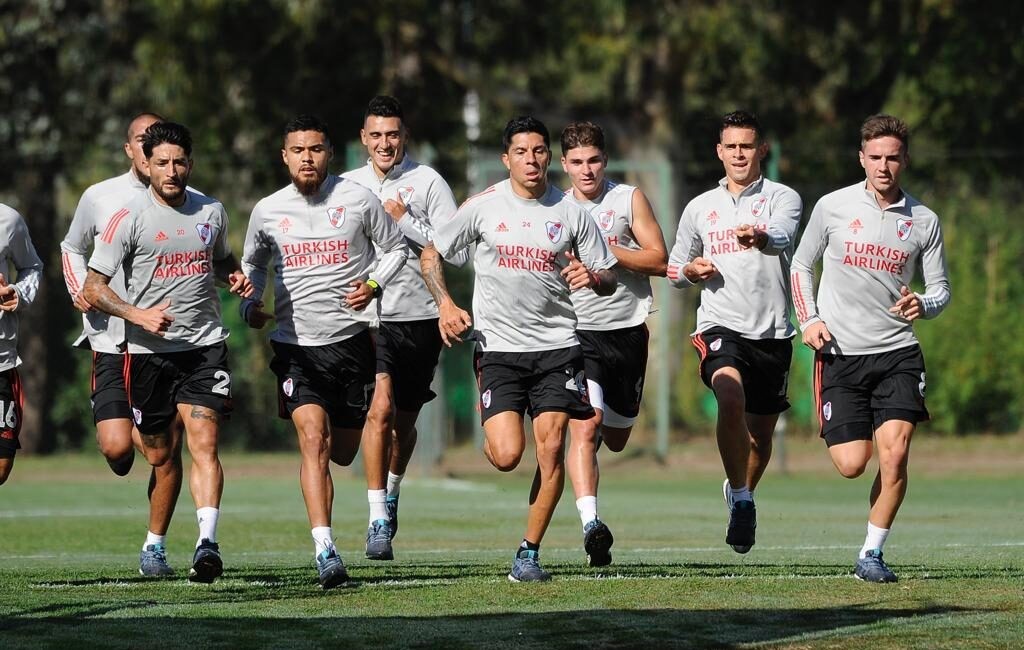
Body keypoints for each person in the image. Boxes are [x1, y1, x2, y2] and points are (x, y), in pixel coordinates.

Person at [432, 116, 617, 582]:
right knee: (507, 454)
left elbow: (609, 276)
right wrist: (445, 304)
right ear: (506, 159)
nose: (531, 160)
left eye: (538, 151)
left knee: (551, 448)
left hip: (558, 348)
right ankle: (495, 431)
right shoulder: (483, 206)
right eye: (521, 152)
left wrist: (593, 277)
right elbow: (432, 253)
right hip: (498, 350)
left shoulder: (571, 212)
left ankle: (528, 553)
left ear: (549, 157)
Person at [241, 114, 408, 588]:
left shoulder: (357, 199)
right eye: (298, 150)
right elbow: (253, 266)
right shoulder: (267, 210)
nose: (307, 158)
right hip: (296, 348)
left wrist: (373, 285)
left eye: (315, 149)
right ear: (285, 156)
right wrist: (250, 304)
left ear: (329, 153)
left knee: (344, 452)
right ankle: (325, 550)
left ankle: (370, 511)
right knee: (314, 440)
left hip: (352, 342)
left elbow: (396, 249)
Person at [83, 121, 253, 584]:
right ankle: (155, 544)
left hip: (203, 347)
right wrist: (136, 315)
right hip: (146, 353)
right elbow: (93, 287)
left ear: (190, 164)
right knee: (160, 454)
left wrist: (234, 277)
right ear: (147, 164)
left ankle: (207, 543)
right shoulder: (127, 218)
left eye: (179, 162)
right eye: (162, 163)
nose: (172, 171)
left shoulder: (211, 211)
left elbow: (221, 260)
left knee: (205, 442)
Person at [791, 114, 950, 583]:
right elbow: (800, 265)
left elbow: (941, 290)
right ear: (861, 158)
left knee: (895, 454)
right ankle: (869, 546)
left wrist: (923, 302)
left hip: (898, 353)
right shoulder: (832, 206)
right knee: (851, 464)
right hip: (840, 353)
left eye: (892, 158)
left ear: (905, 160)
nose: (884, 166)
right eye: (875, 157)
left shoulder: (924, 220)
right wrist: (809, 319)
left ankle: (871, 554)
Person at [666, 110, 803, 554]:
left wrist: (760, 237)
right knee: (729, 396)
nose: (739, 154)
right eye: (732, 147)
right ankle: (743, 500)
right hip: (720, 325)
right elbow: (674, 268)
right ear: (719, 152)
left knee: (760, 437)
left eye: (747, 146)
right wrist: (691, 270)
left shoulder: (783, 197)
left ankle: (738, 488)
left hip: (773, 333)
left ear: (761, 149)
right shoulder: (699, 207)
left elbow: (782, 235)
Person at [342, 96, 470, 561]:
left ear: (404, 137)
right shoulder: (347, 185)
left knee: (403, 424)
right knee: (378, 410)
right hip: (369, 319)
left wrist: (406, 220)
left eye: (392, 134)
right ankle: (377, 518)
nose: (384, 143)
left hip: (418, 318)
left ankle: (392, 490)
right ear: (363, 138)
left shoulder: (428, 182)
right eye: (376, 135)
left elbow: (457, 251)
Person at [60, 112, 186, 577]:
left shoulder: (185, 198)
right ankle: (142, 431)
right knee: (117, 450)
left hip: (164, 347)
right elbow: (71, 247)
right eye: (141, 140)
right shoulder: (100, 196)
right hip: (111, 342)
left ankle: (155, 547)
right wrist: (79, 288)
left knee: (164, 452)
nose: (155, 153)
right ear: (130, 149)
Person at [558, 120, 667, 567]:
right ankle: (592, 527)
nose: (586, 170)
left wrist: (604, 249)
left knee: (617, 438)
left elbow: (659, 259)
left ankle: (586, 450)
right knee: (587, 425)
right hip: (577, 333)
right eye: (577, 162)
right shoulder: (555, 207)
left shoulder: (628, 199)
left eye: (594, 160)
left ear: (605, 160)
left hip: (627, 331)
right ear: (564, 165)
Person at [0, 204, 43, 485]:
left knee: (1, 466)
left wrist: (18, 293)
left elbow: (32, 266)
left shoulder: (8, 219)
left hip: (1, 359)